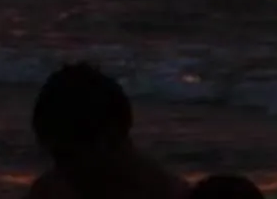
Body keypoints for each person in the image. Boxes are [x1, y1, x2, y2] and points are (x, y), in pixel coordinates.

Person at [26, 64, 188, 199]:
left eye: (66, 156)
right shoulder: (50, 190)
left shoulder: (172, 194)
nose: (62, 170)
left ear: (109, 139)